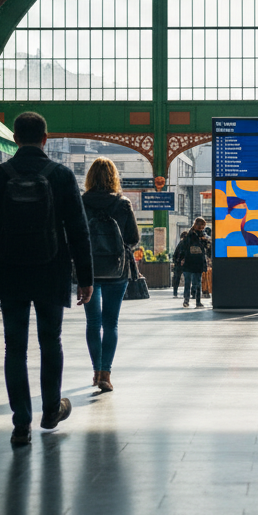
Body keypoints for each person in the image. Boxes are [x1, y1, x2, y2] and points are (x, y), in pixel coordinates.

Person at [0, 112, 93, 447]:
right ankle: (51, 410)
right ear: (45, 139)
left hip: (9, 271)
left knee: (15, 347)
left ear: (14, 139)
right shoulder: (61, 176)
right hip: (50, 270)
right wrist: (85, 278)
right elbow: (78, 232)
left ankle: (21, 424)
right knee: (50, 342)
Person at [81, 157, 139, 393]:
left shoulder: (81, 202)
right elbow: (133, 238)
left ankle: (96, 371)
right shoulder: (123, 203)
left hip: (89, 271)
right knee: (111, 323)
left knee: (93, 322)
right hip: (117, 270)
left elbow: (73, 236)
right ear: (114, 177)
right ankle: (106, 374)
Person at [180, 217, 209, 308]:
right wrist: (181, 259)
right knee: (188, 282)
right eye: (200, 226)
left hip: (198, 262)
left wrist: (204, 240)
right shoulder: (189, 235)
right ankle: (186, 300)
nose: (202, 228)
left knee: (197, 283)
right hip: (189, 261)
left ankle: (198, 301)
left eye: (203, 227)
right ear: (196, 225)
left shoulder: (203, 235)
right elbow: (184, 247)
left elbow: (207, 246)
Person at [171, 230, 188, 298]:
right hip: (186, 264)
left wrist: (175, 262)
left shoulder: (180, 244)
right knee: (187, 279)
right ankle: (187, 292)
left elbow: (175, 254)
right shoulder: (187, 244)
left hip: (179, 264)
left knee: (177, 278)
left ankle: (175, 292)